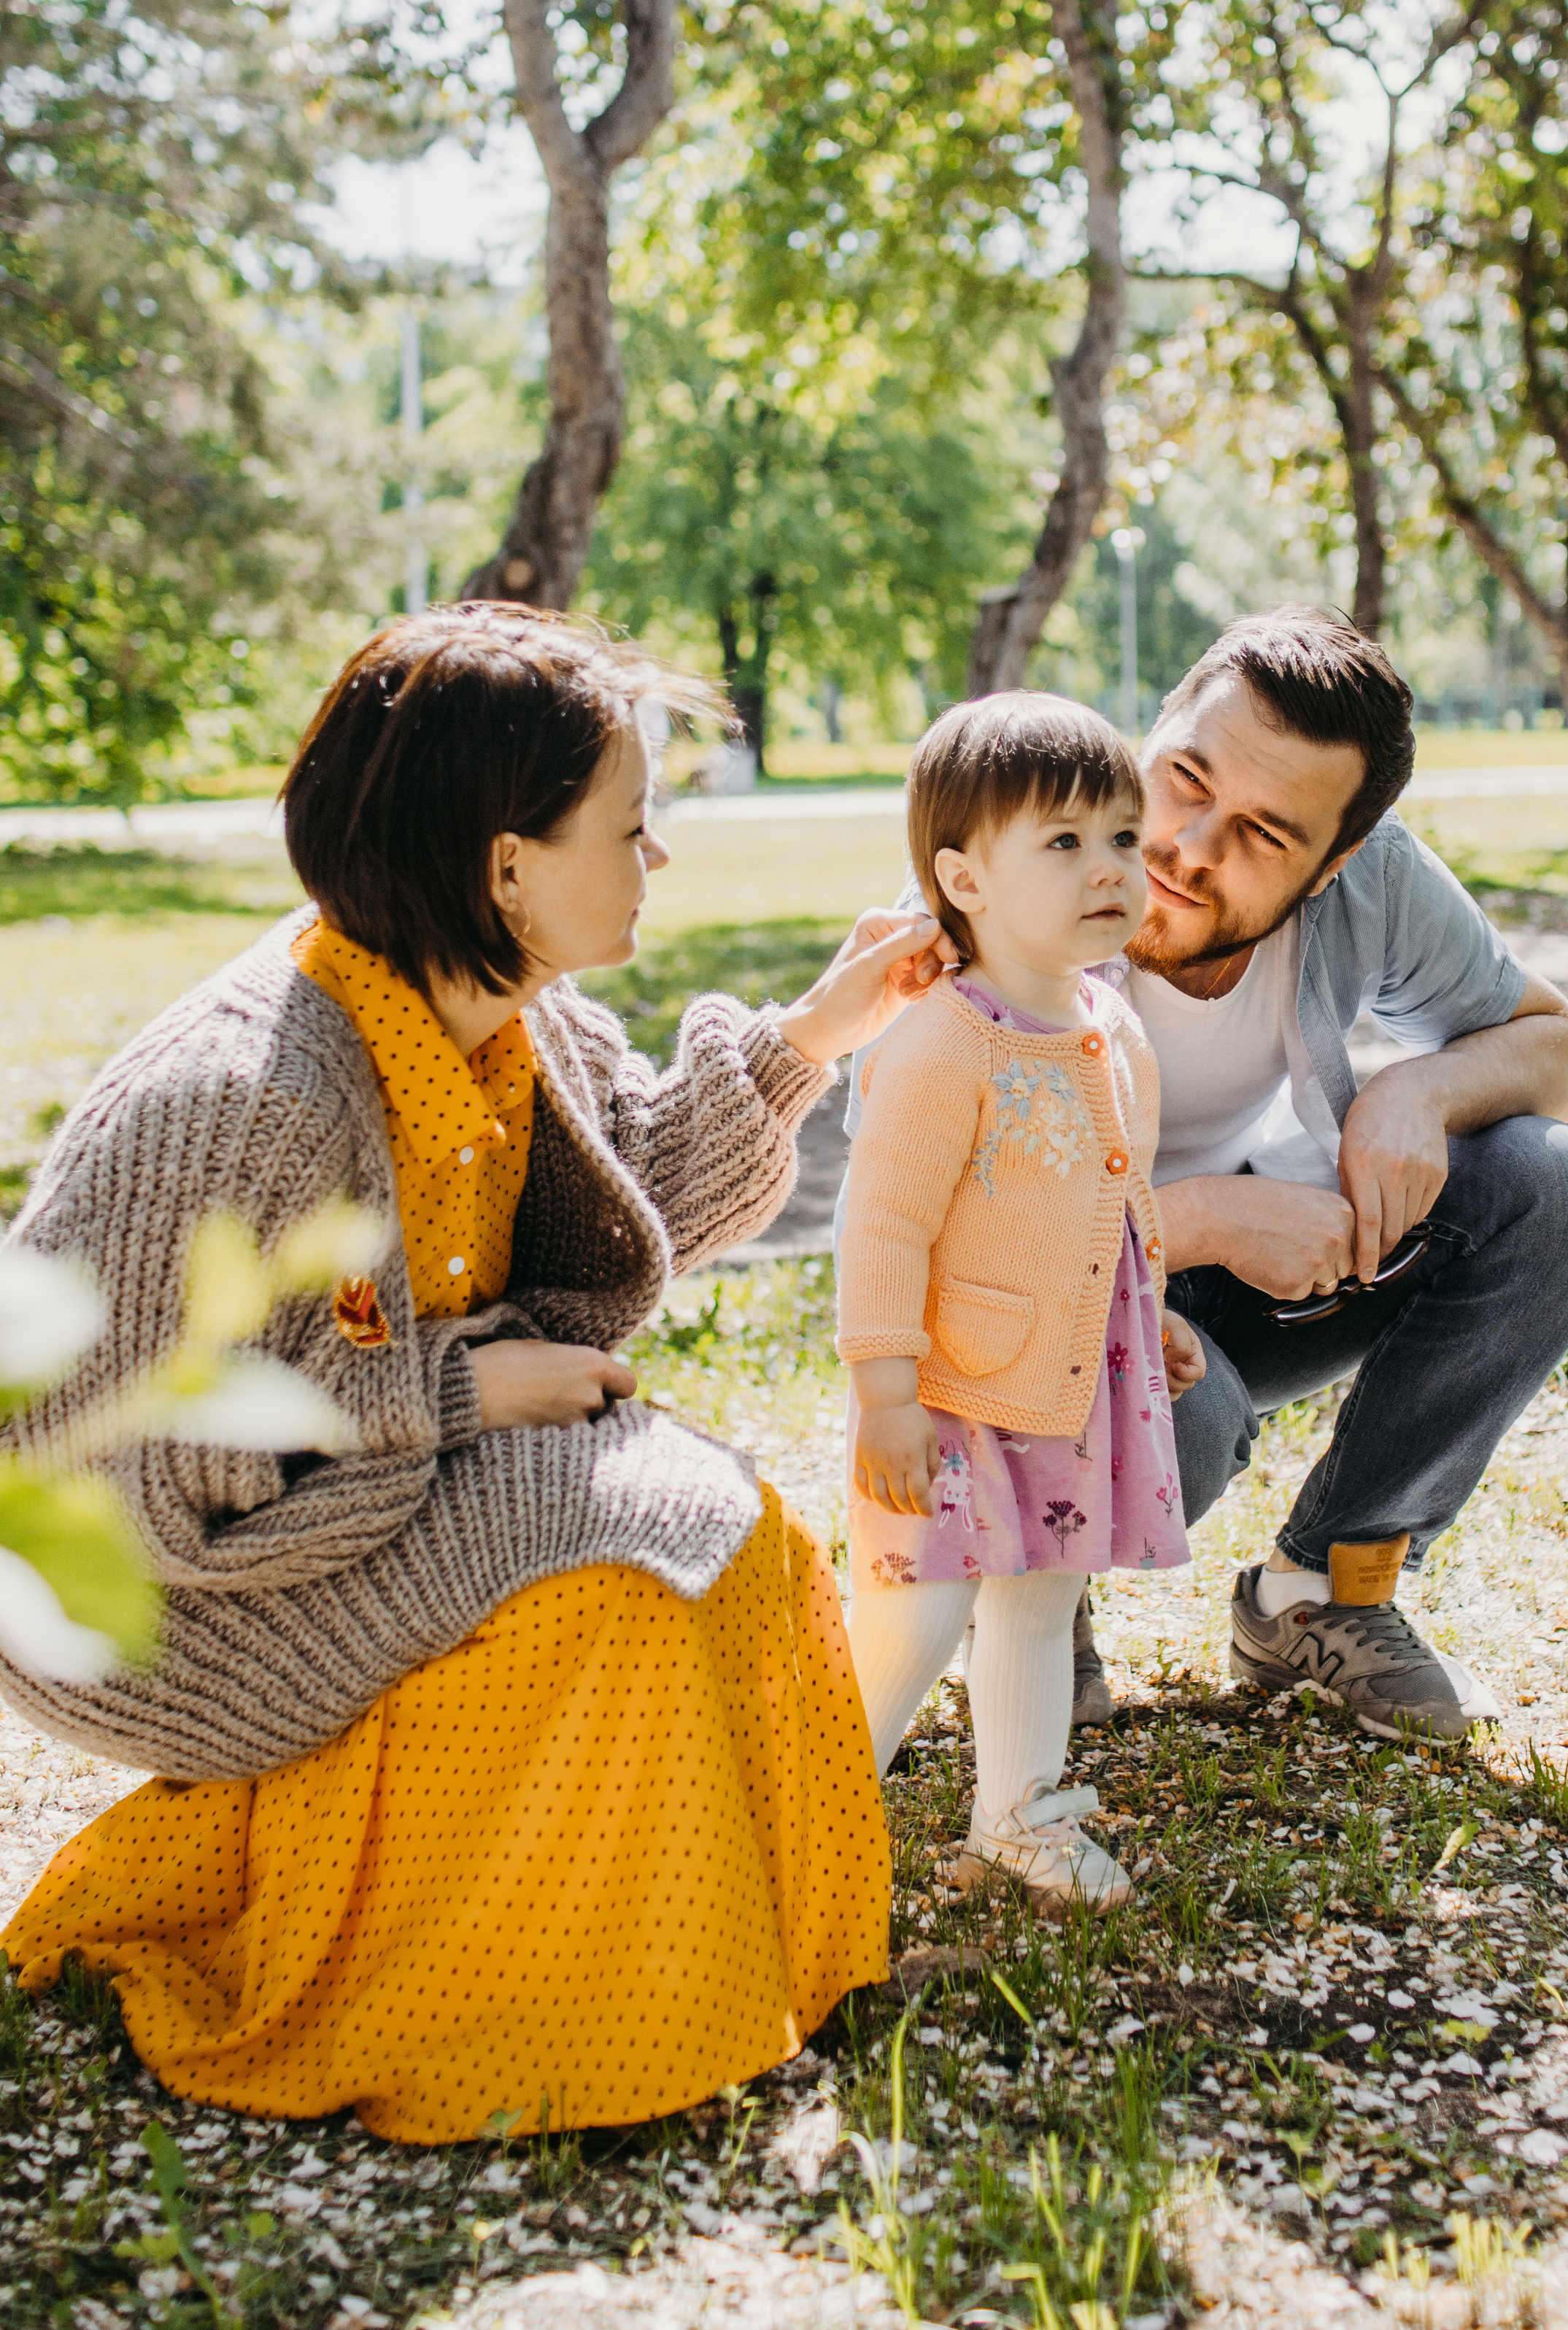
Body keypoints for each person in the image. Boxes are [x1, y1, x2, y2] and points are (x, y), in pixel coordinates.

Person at [1, 604, 950, 2143]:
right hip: (163, 1587)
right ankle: (516, 2016)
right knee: (606, 1600)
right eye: (633, 829)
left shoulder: (501, 1006)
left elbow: (631, 1172)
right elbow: (149, 1458)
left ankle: (768, 1957)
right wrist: (451, 1395)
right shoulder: (253, 1096)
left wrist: (815, 1034)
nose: (660, 861)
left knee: (734, 1538)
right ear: (505, 863)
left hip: (341, 1494)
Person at [1090, 604, 1568, 1740]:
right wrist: (1197, 1221)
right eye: (1184, 778)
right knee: (1187, 1418)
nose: (1191, 847)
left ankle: (1322, 1587)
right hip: (1043, 1305)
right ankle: (1027, 1601)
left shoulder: (1372, 880)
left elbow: (1557, 1050)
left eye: (1265, 835)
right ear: (1153, 727)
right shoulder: (1013, 843)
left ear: (1335, 861)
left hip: (1271, 1267)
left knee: (1557, 1185)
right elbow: (928, 1229)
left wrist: (1419, 1089)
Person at [836, 695, 1207, 1909]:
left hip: (1066, 1380)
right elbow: (884, 1223)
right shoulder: (946, 1043)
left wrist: (1144, 1313)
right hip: (945, 1390)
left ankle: (1021, 1815)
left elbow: (1119, 1194)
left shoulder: (1108, 1024)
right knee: (919, 1611)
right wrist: (886, 1390)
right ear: (964, 877)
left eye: (1120, 836)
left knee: (1044, 1598)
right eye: (1064, 843)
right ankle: (818, 1808)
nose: (1111, 869)